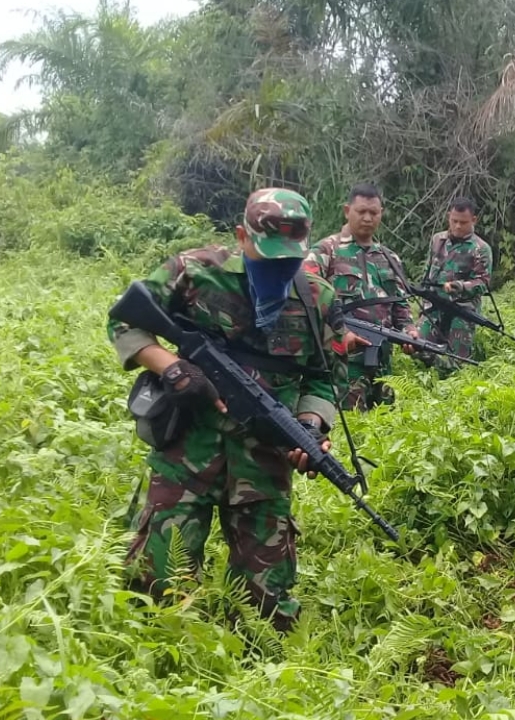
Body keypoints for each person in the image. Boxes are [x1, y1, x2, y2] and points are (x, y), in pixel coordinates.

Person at [107, 187, 356, 633]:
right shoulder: (195, 273)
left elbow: (325, 376)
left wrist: (309, 425)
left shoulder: (317, 298)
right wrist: (173, 368)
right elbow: (124, 318)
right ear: (242, 236)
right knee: (152, 592)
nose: (279, 270)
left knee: (267, 611)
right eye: (268, 258)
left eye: (289, 261)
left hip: (263, 459)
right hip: (187, 448)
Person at [304, 183, 418, 410]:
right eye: (361, 211)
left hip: (383, 366)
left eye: (373, 213)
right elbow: (306, 295)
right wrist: (340, 332)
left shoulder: (389, 258)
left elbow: (400, 306)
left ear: (381, 214)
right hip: (344, 366)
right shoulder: (327, 251)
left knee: (386, 431)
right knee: (350, 430)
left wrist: (410, 331)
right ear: (347, 211)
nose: (367, 218)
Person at [416, 197, 493, 377]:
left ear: (474, 220)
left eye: (463, 222)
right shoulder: (437, 240)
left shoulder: (481, 249)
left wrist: (460, 286)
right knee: (417, 347)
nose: (458, 226)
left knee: (458, 365)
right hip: (434, 306)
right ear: (448, 216)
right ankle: (430, 374)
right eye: (454, 221)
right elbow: (428, 273)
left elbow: (483, 283)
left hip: (463, 309)